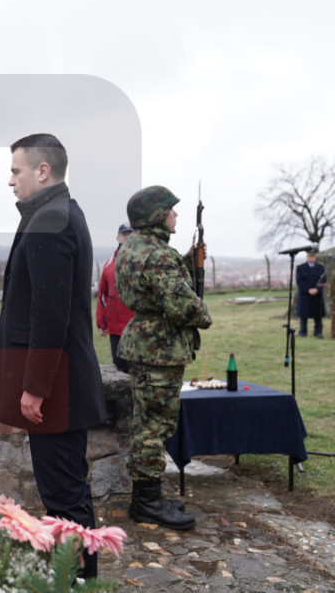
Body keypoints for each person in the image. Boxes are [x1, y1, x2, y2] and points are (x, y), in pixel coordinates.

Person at [0, 133, 107, 578]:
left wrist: (34, 387)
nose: (10, 180)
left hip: (56, 388)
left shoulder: (50, 220)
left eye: (15, 171)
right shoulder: (58, 211)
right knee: (66, 491)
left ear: (42, 170)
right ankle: (75, 577)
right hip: (64, 381)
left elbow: (50, 314)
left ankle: (79, 581)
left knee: (64, 497)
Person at [115, 185, 212, 531]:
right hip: (160, 349)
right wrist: (204, 313)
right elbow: (180, 304)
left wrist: (187, 259)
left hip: (145, 344)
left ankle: (146, 498)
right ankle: (147, 503)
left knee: (147, 423)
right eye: (170, 209)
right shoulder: (158, 254)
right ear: (157, 215)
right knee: (154, 427)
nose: (175, 214)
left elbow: (154, 285)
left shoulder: (132, 247)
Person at [96, 223, 135, 373]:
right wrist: (101, 322)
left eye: (131, 234)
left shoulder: (142, 261)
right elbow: (102, 295)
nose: (127, 237)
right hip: (116, 329)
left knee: (137, 370)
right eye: (124, 234)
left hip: (137, 328)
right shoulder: (109, 264)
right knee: (120, 368)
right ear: (118, 238)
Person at [295, 248, 326, 338]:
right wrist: (308, 290)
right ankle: (303, 331)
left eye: (313, 256)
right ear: (307, 257)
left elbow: (323, 280)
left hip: (317, 295)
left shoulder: (320, 268)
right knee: (303, 315)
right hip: (305, 295)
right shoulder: (300, 268)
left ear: (315, 257)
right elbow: (299, 281)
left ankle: (318, 332)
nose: (311, 258)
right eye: (309, 256)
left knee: (318, 315)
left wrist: (317, 289)